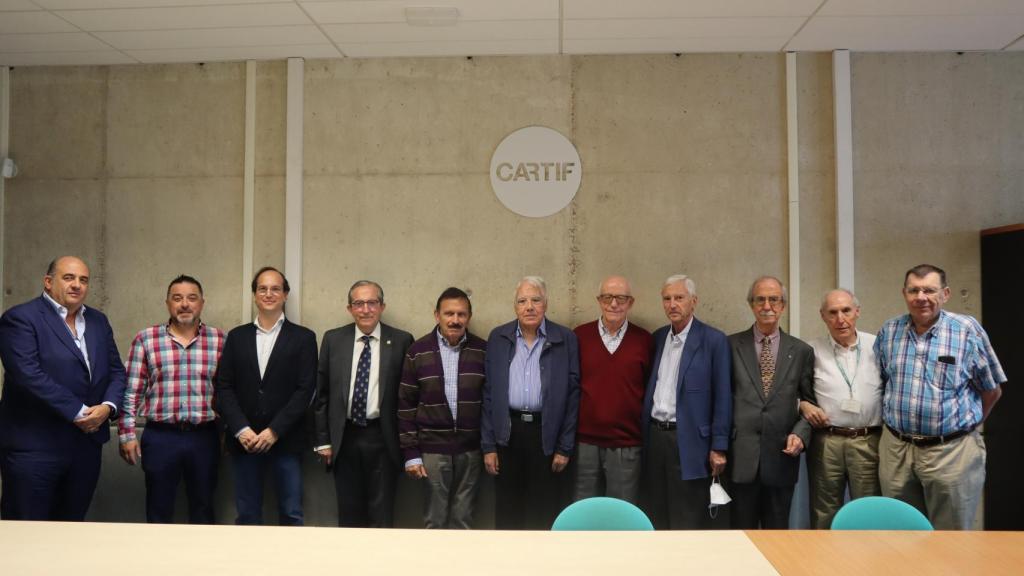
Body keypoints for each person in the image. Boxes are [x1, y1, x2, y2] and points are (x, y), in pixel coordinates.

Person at [875, 264, 1006, 530]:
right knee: (900, 536)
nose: (921, 297)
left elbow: (992, 389)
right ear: (904, 293)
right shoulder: (889, 332)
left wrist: (965, 429)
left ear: (945, 294)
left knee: (951, 540)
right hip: (897, 452)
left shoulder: (967, 331)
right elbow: (883, 382)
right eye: (914, 290)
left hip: (951, 454)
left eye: (929, 290)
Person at [0, 256, 127, 520]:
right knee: (27, 533)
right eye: (68, 278)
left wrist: (108, 407)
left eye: (83, 280)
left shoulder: (98, 321)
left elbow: (115, 370)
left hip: (85, 448)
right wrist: (79, 412)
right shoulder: (20, 318)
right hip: (35, 450)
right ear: (48, 282)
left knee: (71, 532)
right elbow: (28, 375)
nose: (77, 285)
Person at [118, 275, 225, 524]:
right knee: (158, 507)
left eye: (191, 298)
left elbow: (227, 392)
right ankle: (156, 561)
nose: (184, 304)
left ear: (202, 303)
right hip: (160, 437)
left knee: (204, 506)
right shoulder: (146, 339)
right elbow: (131, 391)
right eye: (177, 298)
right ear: (167, 303)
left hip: (205, 436)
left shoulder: (220, 340)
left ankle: (202, 562)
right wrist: (126, 435)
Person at [216, 267, 317, 525]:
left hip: (286, 440)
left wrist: (274, 431)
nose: (269, 293)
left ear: (285, 295)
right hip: (245, 442)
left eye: (275, 288)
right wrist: (241, 430)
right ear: (254, 295)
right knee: (247, 514)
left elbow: (305, 390)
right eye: (263, 288)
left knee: (291, 513)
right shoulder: (237, 337)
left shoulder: (304, 338)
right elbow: (224, 386)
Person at [482, 276, 580, 529]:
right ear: (515, 307)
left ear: (546, 303)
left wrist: (564, 446)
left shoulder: (565, 338)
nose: (529, 307)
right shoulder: (498, 337)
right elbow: (489, 394)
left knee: (544, 510)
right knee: (507, 511)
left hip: (545, 434)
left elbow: (572, 396)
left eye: (536, 300)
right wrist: (489, 445)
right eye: (522, 301)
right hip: (508, 432)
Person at [313, 280, 413, 527]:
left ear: (382, 306)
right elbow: (321, 394)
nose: (365, 309)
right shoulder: (334, 339)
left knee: (382, 514)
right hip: (344, 438)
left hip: (383, 437)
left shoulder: (401, 340)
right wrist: (324, 440)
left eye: (372, 303)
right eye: (358, 303)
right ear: (349, 308)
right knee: (349, 513)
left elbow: (408, 397)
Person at [642, 274, 731, 529]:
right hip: (656, 437)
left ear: (694, 301)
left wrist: (719, 447)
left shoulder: (713, 341)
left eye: (679, 298)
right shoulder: (658, 338)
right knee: (655, 510)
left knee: (686, 515)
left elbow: (723, 397)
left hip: (691, 441)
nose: (672, 305)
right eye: (667, 299)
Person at [728, 275, 815, 529]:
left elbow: (810, 403)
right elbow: (721, 400)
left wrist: (800, 434)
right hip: (740, 458)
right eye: (760, 299)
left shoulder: (801, 351)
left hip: (781, 457)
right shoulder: (730, 345)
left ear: (783, 306)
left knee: (777, 536)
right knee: (740, 535)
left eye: (774, 299)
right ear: (751, 304)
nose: (767, 305)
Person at [398, 287, 487, 528]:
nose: (455, 320)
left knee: (464, 520)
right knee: (434, 521)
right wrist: (411, 455)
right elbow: (405, 406)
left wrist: (489, 447)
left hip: (471, 452)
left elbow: (489, 404)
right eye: (449, 314)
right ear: (437, 315)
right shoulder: (418, 351)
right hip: (432, 453)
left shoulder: (482, 350)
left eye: (461, 314)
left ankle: (460, 566)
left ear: (469, 316)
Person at [800, 289, 883, 529]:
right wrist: (803, 405)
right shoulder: (810, 350)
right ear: (823, 316)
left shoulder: (878, 345)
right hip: (827, 440)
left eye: (846, 310)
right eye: (832, 313)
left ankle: (868, 564)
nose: (840, 319)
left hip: (868, 440)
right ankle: (824, 564)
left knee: (868, 511)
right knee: (823, 511)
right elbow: (793, 392)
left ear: (857, 311)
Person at [574, 275, 651, 504]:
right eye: (607, 297)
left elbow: (648, 388)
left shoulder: (645, 340)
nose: (614, 304)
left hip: (626, 445)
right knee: (583, 512)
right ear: (599, 300)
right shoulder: (579, 336)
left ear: (631, 302)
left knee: (621, 515)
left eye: (620, 298)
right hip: (584, 444)